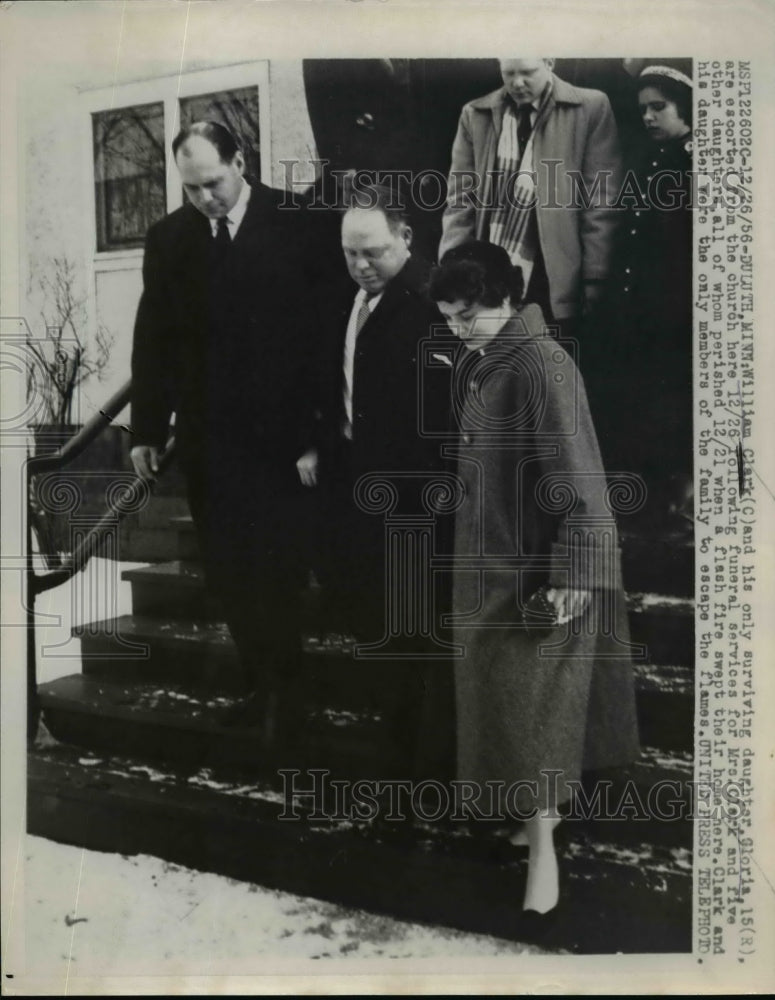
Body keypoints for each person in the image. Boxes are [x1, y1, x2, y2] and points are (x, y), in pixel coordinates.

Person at [428, 241, 639, 930]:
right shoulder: (494, 358)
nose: (457, 330)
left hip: (538, 576)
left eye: (467, 317)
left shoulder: (540, 364)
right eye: (449, 319)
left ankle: (543, 854)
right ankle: (531, 828)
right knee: (517, 715)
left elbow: (576, 475)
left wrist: (574, 573)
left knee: (536, 717)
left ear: (504, 300)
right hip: (496, 571)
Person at [130, 121, 317, 745]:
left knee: (279, 567)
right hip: (210, 441)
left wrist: (322, 429)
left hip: (285, 440)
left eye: (213, 182)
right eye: (192, 188)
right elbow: (152, 338)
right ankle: (260, 683)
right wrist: (148, 429)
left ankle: (289, 695)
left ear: (241, 162)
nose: (205, 198)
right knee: (230, 570)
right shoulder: (169, 239)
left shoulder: (299, 221)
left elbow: (327, 332)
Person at [297, 188, 452, 773]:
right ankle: (395, 747)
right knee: (371, 620)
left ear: (406, 240)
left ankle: (418, 762)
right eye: (350, 253)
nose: (362, 265)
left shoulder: (436, 303)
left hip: (414, 500)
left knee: (412, 635)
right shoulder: (343, 299)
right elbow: (326, 378)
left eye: (375, 253)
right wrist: (317, 441)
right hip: (351, 487)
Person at [439, 58, 623, 338]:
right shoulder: (476, 113)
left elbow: (600, 200)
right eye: (509, 73)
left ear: (550, 62)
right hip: (490, 269)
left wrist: (596, 274)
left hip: (557, 272)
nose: (516, 82)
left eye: (527, 73)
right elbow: (461, 199)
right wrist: (452, 267)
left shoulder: (590, 108)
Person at [594, 65, 693, 531]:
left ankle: (669, 509)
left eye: (660, 107)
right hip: (636, 313)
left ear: (686, 108)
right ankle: (642, 510)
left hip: (673, 317)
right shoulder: (646, 161)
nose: (650, 117)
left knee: (668, 413)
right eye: (644, 110)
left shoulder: (695, 164)